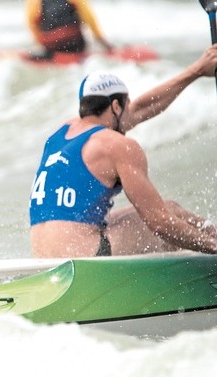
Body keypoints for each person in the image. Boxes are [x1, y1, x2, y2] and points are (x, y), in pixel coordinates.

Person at [28, 45, 217, 258]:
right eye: (127, 104)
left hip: (44, 260)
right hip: (88, 261)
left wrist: (197, 71)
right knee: (169, 213)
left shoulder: (61, 133)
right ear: (116, 107)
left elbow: (139, 110)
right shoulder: (117, 145)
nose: (132, 111)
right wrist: (211, 246)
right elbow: (160, 224)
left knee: (159, 211)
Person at [25, 0, 113, 59]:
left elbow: (32, 22)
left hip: (51, 45)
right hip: (73, 42)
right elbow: (89, 18)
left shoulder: (35, 1)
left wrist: (41, 44)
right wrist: (103, 42)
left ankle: (49, 55)